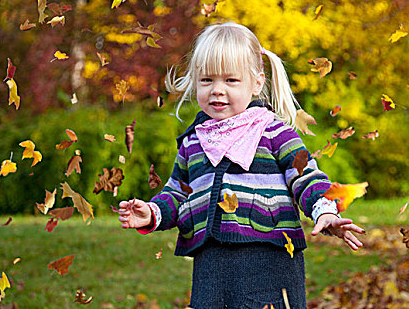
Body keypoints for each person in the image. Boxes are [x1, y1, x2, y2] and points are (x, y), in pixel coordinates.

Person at [118, 22, 365, 308]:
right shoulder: (192, 143)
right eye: (207, 80)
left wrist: (324, 209)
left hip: (270, 262)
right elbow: (178, 193)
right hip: (212, 269)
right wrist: (152, 212)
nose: (217, 91)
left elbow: (305, 177)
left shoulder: (275, 134)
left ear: (256, 83)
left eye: (231, 81)